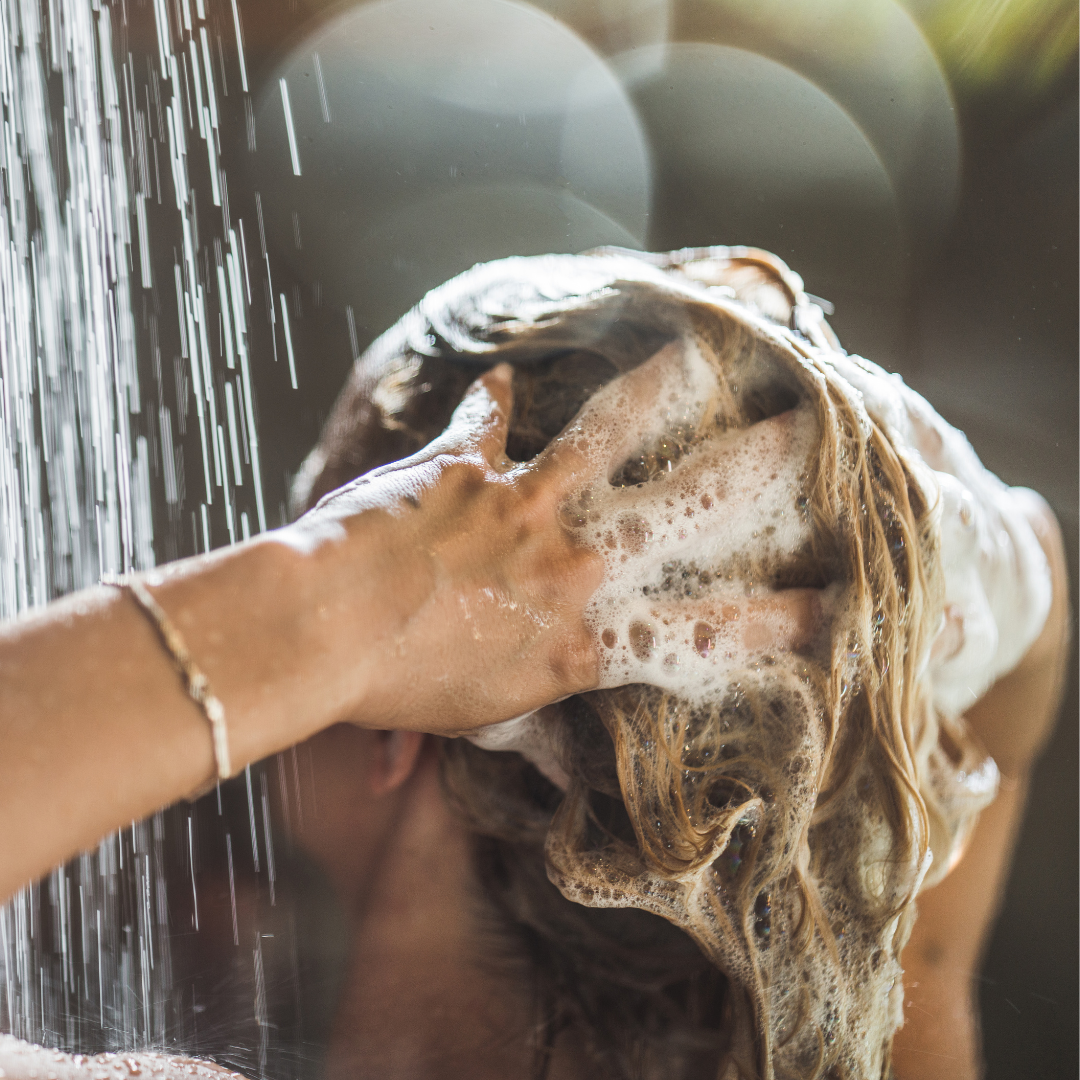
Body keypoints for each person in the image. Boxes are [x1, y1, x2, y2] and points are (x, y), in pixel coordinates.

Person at [0, 250, 1067, 1080]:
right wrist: (895, 552)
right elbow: (1027, 656)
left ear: (395, 716)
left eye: (331, 529)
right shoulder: (899, 1041)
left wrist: (346, 594)